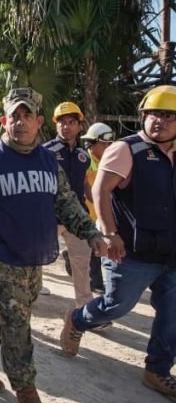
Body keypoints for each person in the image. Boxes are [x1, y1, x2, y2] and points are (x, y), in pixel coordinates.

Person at [0, 88, 105, 403]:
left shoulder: (47, 161)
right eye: (14, 115)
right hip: (0, 255)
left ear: (39, 122)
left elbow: (66, 202)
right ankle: (29, 402)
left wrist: (90, 232)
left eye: (27, 115)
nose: (20, 121)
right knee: (18, 325)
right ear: (3, 121)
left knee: (8, 312)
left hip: (33, 254)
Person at [60, 85, 176, 403]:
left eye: (169, 116)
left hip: (171, 252)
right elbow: (101, 190)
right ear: (142, 116)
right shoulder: (128, 149)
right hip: (132, 251)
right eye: (154, 114)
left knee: (173, 313)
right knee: (117, 305)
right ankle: (79, 319)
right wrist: (110, 233)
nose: (160, 121)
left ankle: (157, 369)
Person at [43, 102, 93, 305]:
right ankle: (30, 292)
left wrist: (96, 204)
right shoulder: (44, 152)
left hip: (77, 218)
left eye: (71, 122)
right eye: (62, 122)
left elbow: (84, 184)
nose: (66, 126)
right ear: (56, 126)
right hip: (49, 216)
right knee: (35, 258)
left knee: (82, 262)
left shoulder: (84, 156)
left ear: (80, 126)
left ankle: (85, 305)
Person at [80, 122, 115, 293]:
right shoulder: (85, 160)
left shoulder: (108, 160)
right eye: (104, 144)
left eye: (109, 144)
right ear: (92, 143)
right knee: (95, 249)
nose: (107, 147)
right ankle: (96, 283)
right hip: (89, 212)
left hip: (100, 212)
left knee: (94, 247)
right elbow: (86, 187)